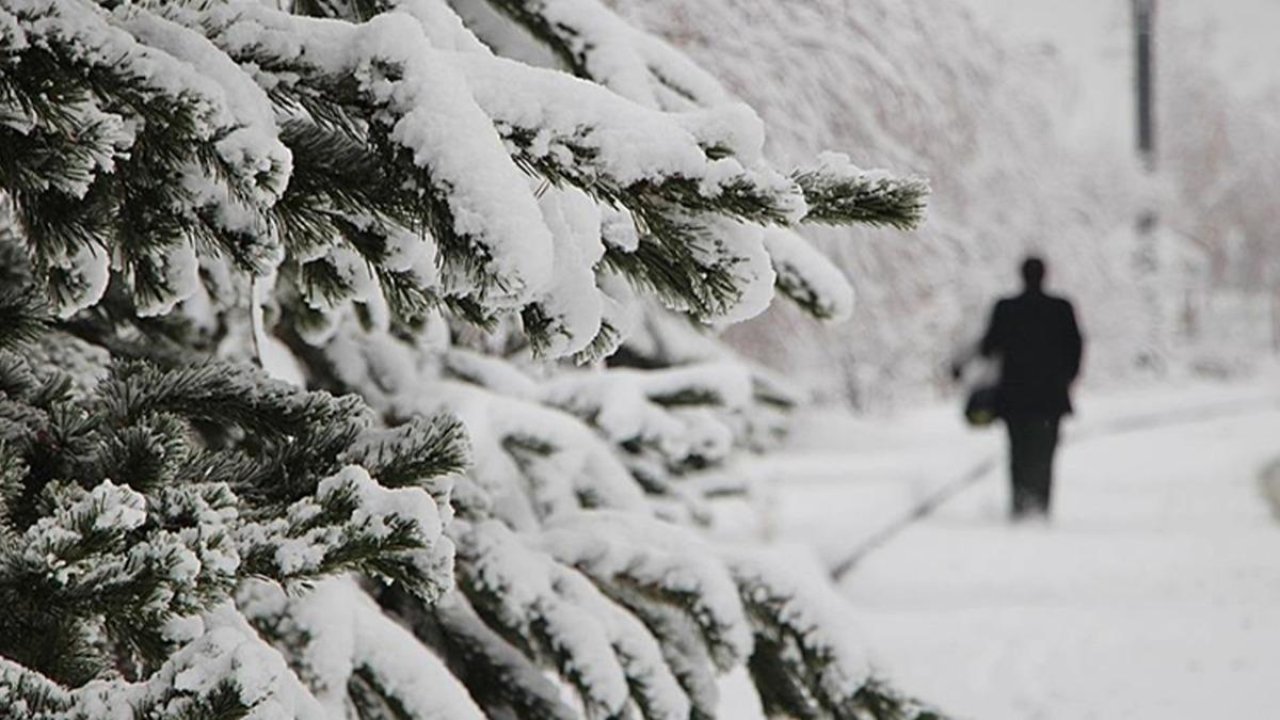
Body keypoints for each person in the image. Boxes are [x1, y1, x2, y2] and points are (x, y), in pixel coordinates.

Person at [962, 256, 1084, 520]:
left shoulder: (1006, 308)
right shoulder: (1061, 308)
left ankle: (1020, 503)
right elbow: (1075, 348)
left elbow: (988, 346)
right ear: (1045, 275)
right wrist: (1066, 379)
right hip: (1050, 397)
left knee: (1018, 451)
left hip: (1015, 396)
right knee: (1046, 451)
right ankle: (1041, 504)